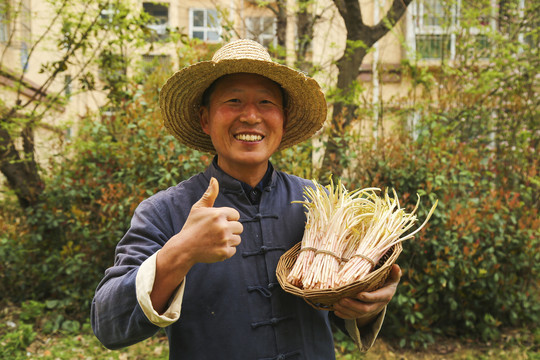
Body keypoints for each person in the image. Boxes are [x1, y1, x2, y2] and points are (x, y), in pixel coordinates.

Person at [91, 39, 401, 360]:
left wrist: (365, 305)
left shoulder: (320, 206)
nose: (251, 116)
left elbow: (345, 309)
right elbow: (107, 323)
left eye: (266, 102)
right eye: (234, 100)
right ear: (205, 119)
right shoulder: (164, 212)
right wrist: (181, 251)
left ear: (283, 118)